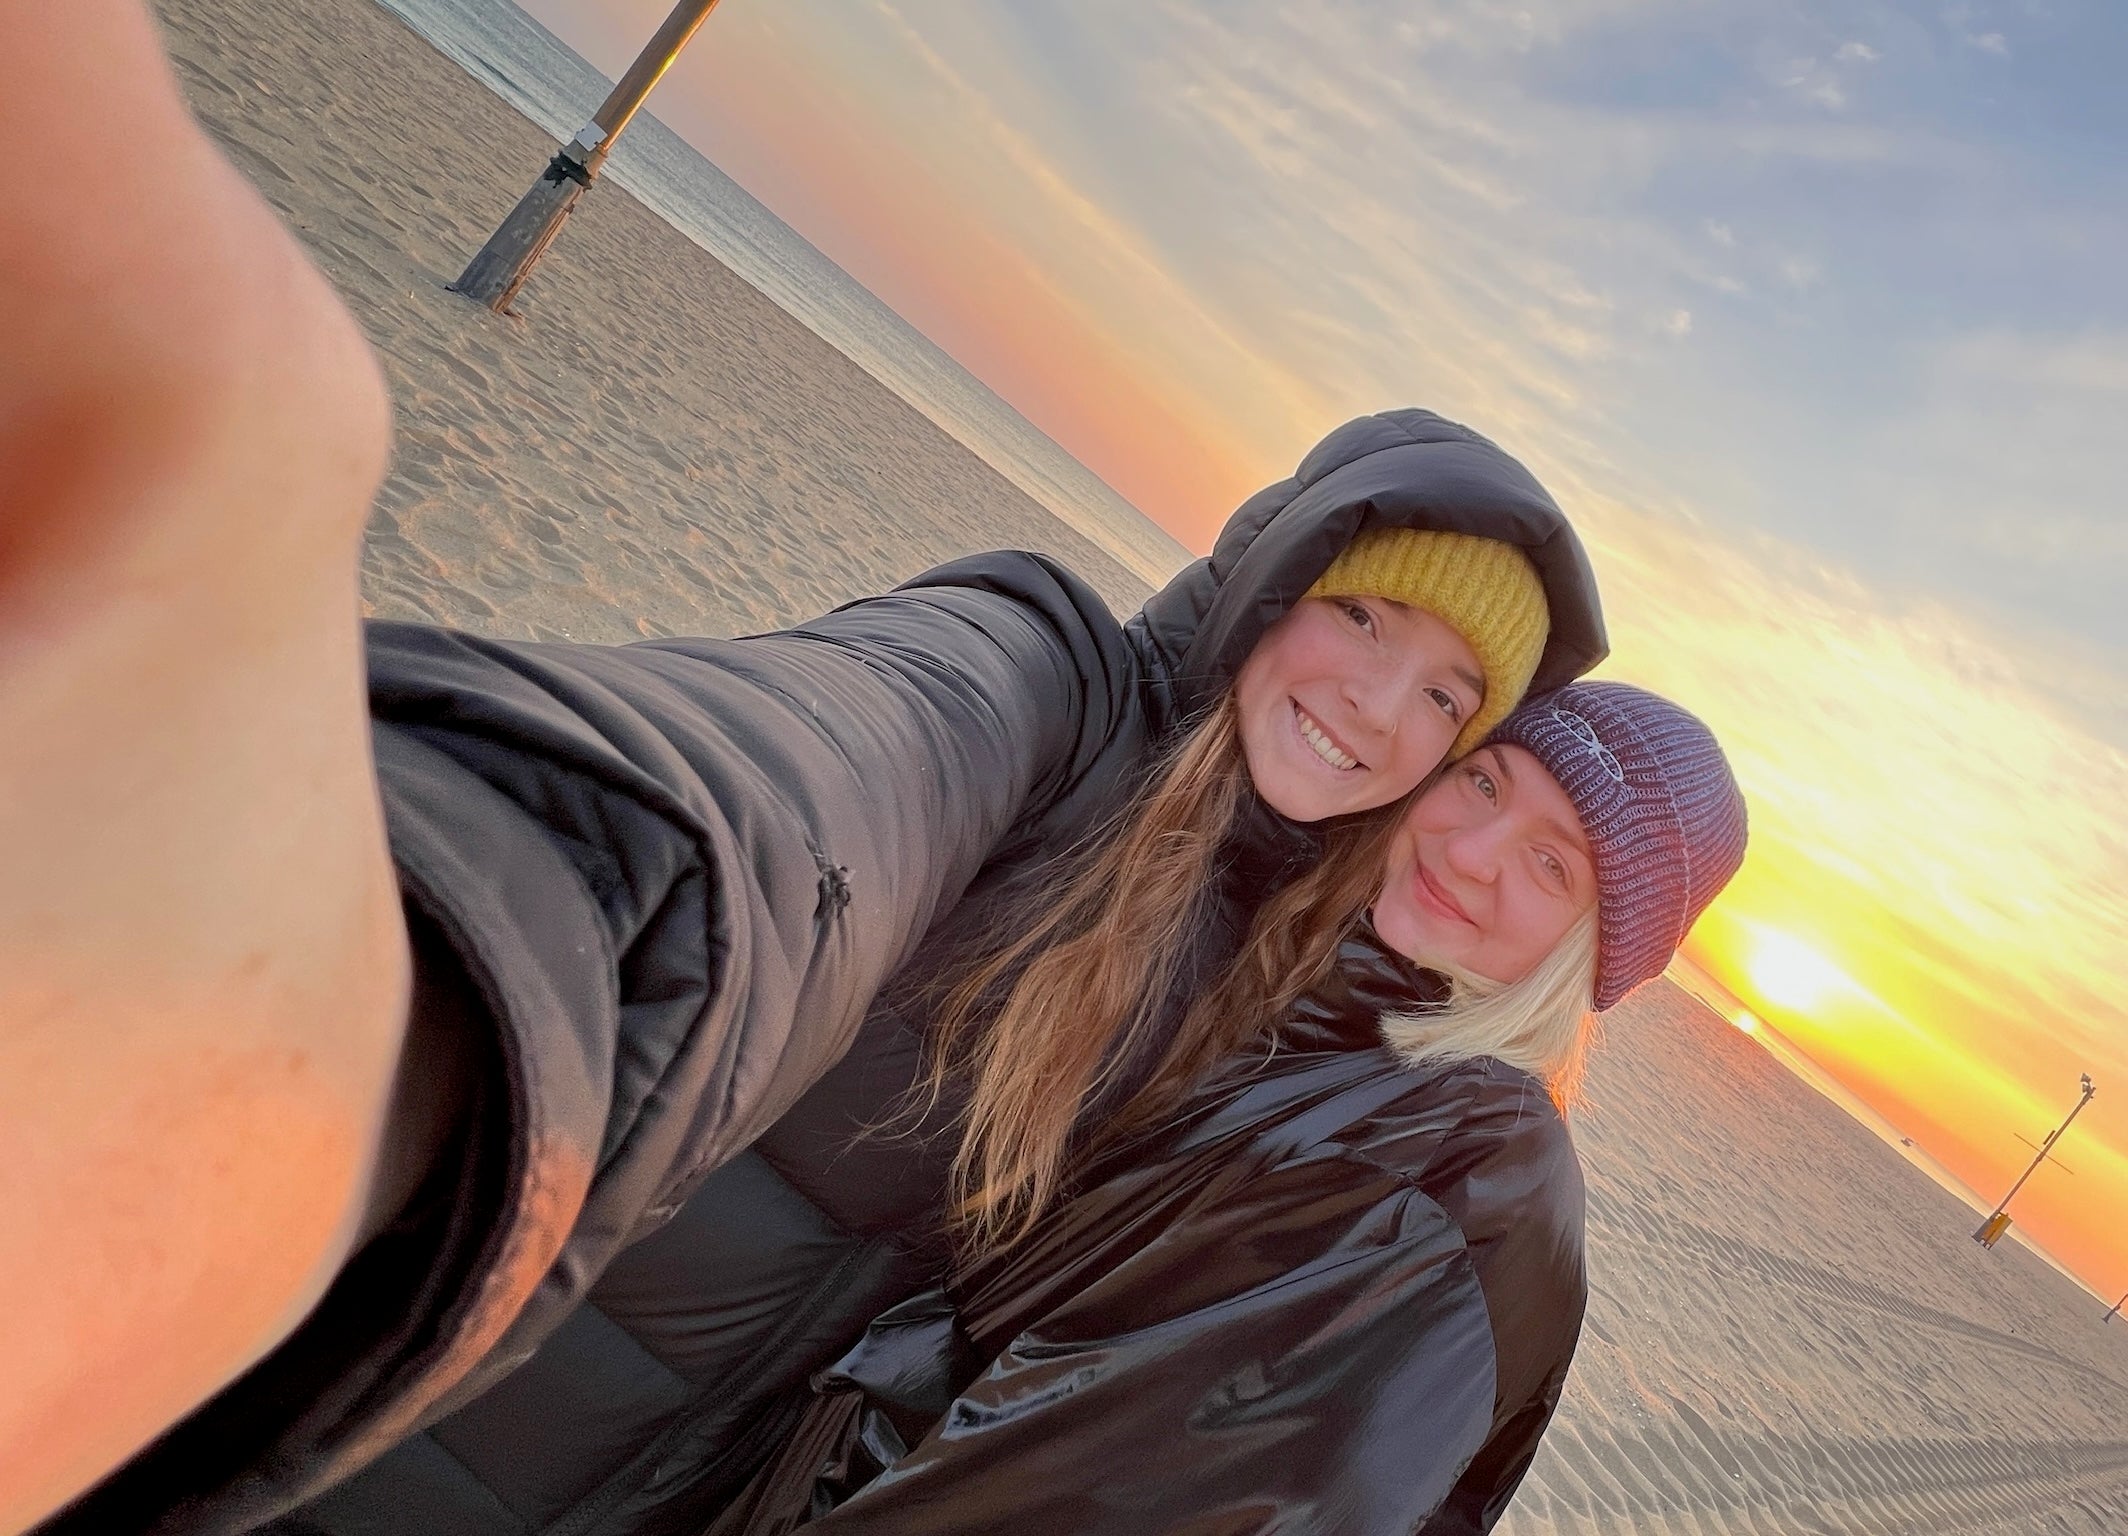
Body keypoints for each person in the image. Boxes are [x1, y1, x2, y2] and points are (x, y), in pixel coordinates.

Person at [5, 9, 1604, 1532]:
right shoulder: (1043, 685)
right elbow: (789, 796)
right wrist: (461, 957)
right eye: (1358, 614)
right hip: (377, 1423)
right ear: (1273, 579)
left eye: (1444, 696)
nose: (1373, 708)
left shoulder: (1297, 977)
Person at [715, 681, 1749, 1536]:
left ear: (1589, 956)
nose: (1470, 851)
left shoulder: (1449, 1177)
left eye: (1551, 865)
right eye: (1484, 781)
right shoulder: (1334, 1018)